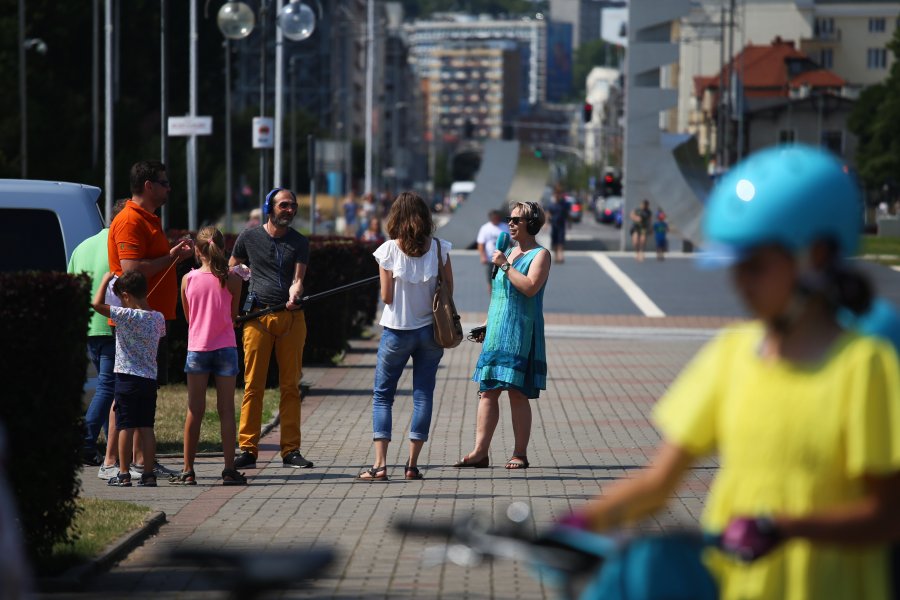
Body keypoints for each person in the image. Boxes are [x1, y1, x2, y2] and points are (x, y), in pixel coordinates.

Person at [561, 145, 900, 599]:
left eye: (756, 266)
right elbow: (659, 483)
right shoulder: (731, 354)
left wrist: (786, 527)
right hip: (735, 586)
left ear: (815, 255)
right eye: (736, 266)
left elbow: (886, 517)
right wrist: (580, 523)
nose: (740, 283)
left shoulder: (865, 366)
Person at [108, 160, 193, 478]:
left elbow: (150, 263)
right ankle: (125, 464)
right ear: (148, 185)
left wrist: (172, 255)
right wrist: (170, 256)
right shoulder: (130, 220)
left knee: (142, 394)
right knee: (130, 394)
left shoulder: (149, 219)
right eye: (164, 182)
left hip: (151, 319)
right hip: (137, 322)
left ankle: (141, 461)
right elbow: (130, 271)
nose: (168, 188)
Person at [358, 192, 450, 481]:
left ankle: (381, 465)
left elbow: (386, 297)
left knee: (383, 396)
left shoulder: (387, 251)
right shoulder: (438, 248)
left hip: (397, 331)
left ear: (395, 217)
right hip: (431, 333)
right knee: (423, 396)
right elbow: (449, 292)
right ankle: (412, 465)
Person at [456, 201, 551, 470]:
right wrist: (486, 324)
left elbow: (530, 288)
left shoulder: (540, 255)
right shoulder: (507, 252)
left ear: (530, 224)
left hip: (521, 331)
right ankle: (479, 452)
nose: (510, 223)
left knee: (517, 393)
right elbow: (499, 296)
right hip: (498, 331)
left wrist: (506, 267)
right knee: (488, 392)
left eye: (516, 220)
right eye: (509, 219)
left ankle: (519, 453)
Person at [228, 187, 314, 470]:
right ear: (270, 207)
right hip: (257, 318)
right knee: (254, 384)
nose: (290, 210)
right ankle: (248, 449)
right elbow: (232, 271)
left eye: (293, 206)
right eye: (284, 206)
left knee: (290, 386)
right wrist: (239, 281)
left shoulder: (299, 242)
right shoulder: (249, 237)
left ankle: (291, 450)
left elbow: (298, 279)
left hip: (291, 318)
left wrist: (295, 291)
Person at [173, 227, 246, 486]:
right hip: (226, 348)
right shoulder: (233, 279)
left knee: (195, 410)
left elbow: (189, 316)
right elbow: (233, 315)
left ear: (197, 250)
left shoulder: (188, 280)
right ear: (222, 249)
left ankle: (187, 469)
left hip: (198, 348)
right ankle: (229, 469)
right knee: (226, 410)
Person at [91, 271, 168, 487]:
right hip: (149, 380)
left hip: (126, 379)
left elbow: (96, 305)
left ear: (126, 295)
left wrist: (105, 278)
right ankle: (149, 474)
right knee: (146, 427)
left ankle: (123, 473)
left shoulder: (126, 315)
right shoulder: (158, 318)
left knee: (125, 426)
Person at [67, 199, 127, 472]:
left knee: (107, 386)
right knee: (109, 386)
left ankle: (107, 448)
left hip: (88, 325)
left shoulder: (82, 247)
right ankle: (86, 441)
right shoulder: (119, 246)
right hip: (111, 322)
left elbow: (72, 286)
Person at [476, 209, 510, 297]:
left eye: (497, 218)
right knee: (491, 275)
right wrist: (482, 256)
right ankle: (491, 291)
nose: (495, 220)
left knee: (504, 273)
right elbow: (481, 243)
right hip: (491, 257)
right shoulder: (485, 228)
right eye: (493, 218)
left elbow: (510, 240)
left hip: (504, 256)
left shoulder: (504, 227)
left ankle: (503, 290)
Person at [545, 189, 569, 264]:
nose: (558, 196)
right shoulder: (551, 205)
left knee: (560, 241)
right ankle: (556, 256)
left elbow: (567, 214)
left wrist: (569, 223)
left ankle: (560, 255)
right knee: (555, 241)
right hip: (554, 226)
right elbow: (548, 214)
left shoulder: (564, 204)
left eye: (559, 194)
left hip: (561, 226)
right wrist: (546, 223)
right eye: (556, 194)